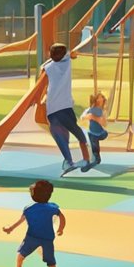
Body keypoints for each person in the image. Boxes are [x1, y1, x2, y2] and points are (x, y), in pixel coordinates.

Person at [2, 179, 65, 267]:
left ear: (33, 195)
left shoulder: (29, 209)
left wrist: (10, 228)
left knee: (21, 255)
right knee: (51, 263)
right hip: (46, 239)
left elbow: (21, 220)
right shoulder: (52, 208)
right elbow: (62, 217)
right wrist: (61, 228)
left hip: (32, 237)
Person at [41, 43, 91, 174]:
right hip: (64, 107)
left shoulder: (47, 67)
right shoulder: (67, 61)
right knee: (75, 132)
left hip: (53, 108)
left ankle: (69, 160)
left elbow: (42, 79)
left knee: (60, 134)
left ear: (50, 54)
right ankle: (83, 159)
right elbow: (72, 54)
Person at [81, 91, 109, 167]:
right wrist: (89, 116)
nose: (100, 100)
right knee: (91, 137)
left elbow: (104, 123)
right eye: (98, 98)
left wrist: (94, 117)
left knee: (94, 137)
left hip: (101, 133)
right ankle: (94, 157)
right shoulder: (90, 109)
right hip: (92, 133)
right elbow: (82, 117)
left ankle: (96, 157)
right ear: (95, 100)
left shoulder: (103, 111)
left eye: (102, 98)